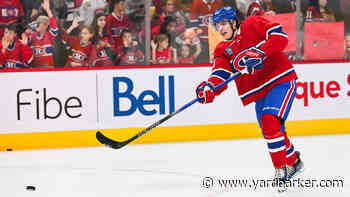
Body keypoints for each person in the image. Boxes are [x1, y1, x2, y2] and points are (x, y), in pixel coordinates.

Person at [195, 6, 304, 190]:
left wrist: (260, 53)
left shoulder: (252, 24)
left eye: (223, 24)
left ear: (234, 21)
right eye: (217, 26)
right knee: (271, 131)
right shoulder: (222, 50)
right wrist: (209, 88)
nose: (220, 29)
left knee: (270, 122)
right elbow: (220, 74)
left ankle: (281, 172)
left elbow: (280, 38)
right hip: (258, 92)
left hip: (280, 80)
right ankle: (293, 161)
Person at [27, 0, 58, 67]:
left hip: (47, 68)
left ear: (46, 26)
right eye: (37, 23)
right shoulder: (32, 35)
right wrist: (27, 32)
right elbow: (24, 42)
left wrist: (48, 10)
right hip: (35, 68)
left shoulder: (49, 35)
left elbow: (55, 29)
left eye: (39, 23)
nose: (37, 24)